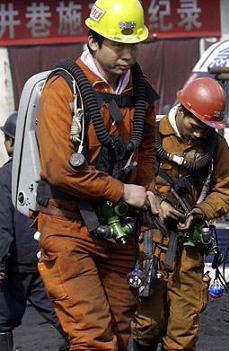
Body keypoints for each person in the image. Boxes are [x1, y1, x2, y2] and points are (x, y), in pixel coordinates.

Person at [35, 0, 160, 349]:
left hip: (118, 230)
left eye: (133, 46)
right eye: (118, 46)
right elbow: (58, 170)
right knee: (92, 338)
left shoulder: (140, 92)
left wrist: (145, 191)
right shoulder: (65, 88)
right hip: (68, 227)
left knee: (120, 334)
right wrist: (122, 191)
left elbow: (147, 152)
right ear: (93, 41)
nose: (128, 55)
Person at [131, 77, 229, 351]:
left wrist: (200, 212)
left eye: (207, 128)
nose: (201, 133)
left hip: (188, 248)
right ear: (182, 110)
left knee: (183, 331)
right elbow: (127, 182)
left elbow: (225, 191)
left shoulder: (215, 146)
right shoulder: (150, 136)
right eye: (196, 125)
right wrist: (152, 202)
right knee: (146, 324)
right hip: (148, 244)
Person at [0, 112, 69, 351]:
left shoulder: (5, 176)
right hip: (46, 257)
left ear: (11, 143)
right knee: (63, 316)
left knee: (2, 322)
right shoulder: (50, 172)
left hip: (14, 265)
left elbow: (3, 224)